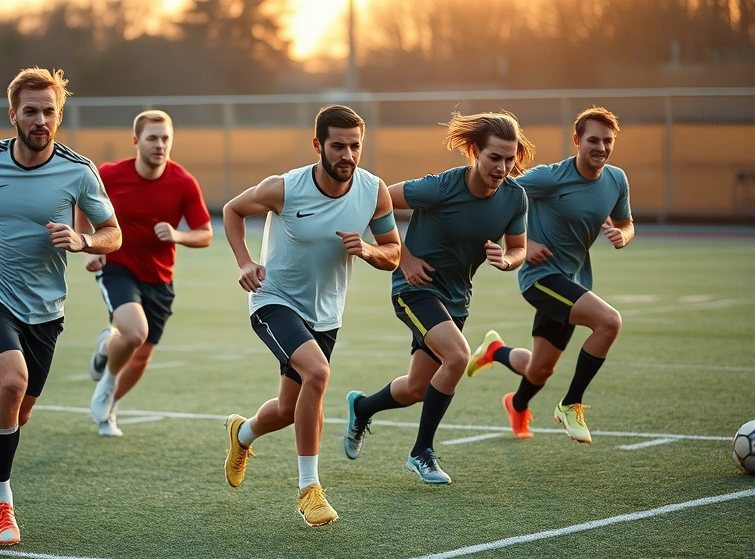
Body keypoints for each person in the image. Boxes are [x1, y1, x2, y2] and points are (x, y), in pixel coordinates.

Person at [0, 67, 121, 547]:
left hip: (44, 306)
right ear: (13, 114)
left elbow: (113, 232)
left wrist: (84, 240)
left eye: (48, 111)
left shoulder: (78, 170)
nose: (39, 119)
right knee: (14, 380)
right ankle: (1, 502)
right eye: (30, 111)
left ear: (59, 115)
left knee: (15, 414)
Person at [222, 104, 401, 527]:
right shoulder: (283, 188)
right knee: (317, 375)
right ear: (318, 145)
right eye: (338, 146)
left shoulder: (374, 191)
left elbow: (393, 252)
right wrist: (245, 262)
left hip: (326, 315)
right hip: (274, 301)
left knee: (289, 406)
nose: (348, 155)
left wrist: (370, 250)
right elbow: (232, 210)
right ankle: (309, 490)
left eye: (355, 146)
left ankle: (242, 433)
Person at [342, 111, 533, 485]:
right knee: (460, 355)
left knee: (416, 388)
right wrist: (404, 256)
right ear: (474, 151)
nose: (503, 167)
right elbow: (376, 200)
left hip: (455, 299)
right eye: (495, 157)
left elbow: (520, 249)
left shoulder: (515, 198)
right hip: (414, 290)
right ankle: (421, 452)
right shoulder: (440, 188)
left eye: (510, 159)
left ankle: (361, 407)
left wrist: (507, 260)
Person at [465, 107, 633, 444]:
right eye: (593, 140)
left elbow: (626, 223)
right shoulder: (550, 178)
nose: (600, 147)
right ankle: (571, 404)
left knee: (540, 370)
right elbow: (495, 194)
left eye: (607, 141)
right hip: (540, 278)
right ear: (577, 140)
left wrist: (622, 235)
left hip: (573, 281)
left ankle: (497, 357)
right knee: (609, 322)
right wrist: (528, 242)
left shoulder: (617, 180)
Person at [81, 110, 212, 437]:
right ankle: (107, 385)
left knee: (140, 357)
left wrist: (179, 235)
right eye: (152, 138)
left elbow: (205, 233)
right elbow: (82, 203)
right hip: (118, 268)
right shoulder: (110, 175)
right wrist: (90, 246)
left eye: (165, 138)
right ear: (136, 140)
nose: (160, 145)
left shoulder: (183, 182)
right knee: (135, 333)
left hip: (160, 279)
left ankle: (109, 401)